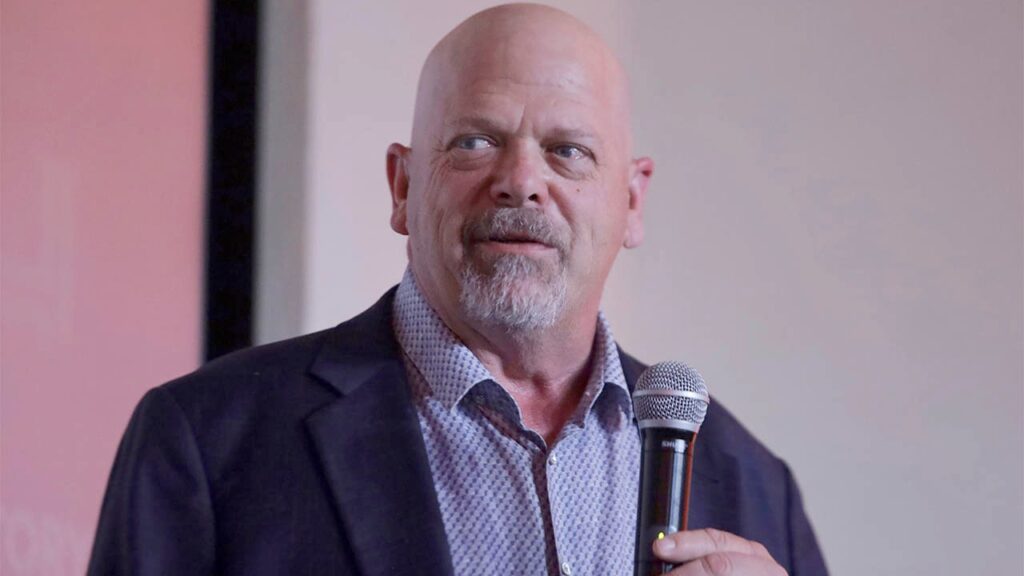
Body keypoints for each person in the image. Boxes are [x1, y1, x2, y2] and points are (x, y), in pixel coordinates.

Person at [89, 4, 827, 575]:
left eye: (568, 151)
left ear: (632, 201)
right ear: (403, 186)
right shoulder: (207, 440)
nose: (521, 181)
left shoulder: (755, 486)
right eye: (476, 141)